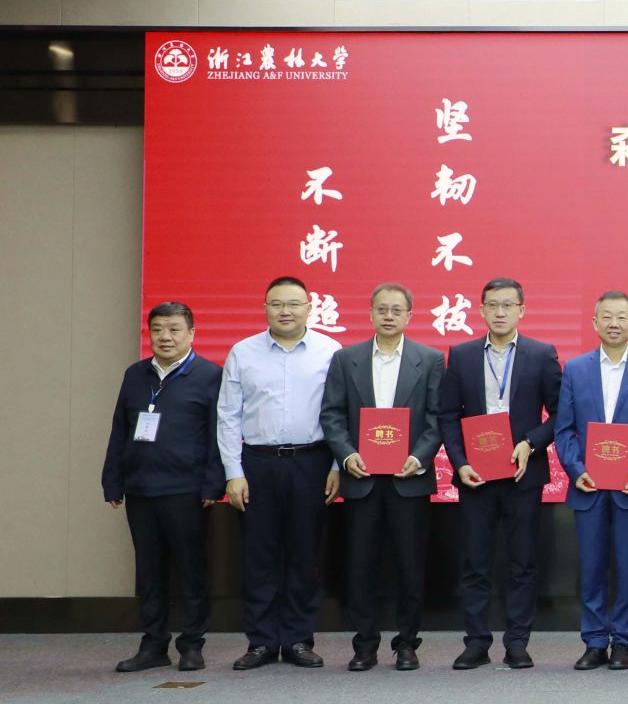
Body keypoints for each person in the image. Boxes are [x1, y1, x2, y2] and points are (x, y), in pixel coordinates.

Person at [217, 275, 342, 670]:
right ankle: (261, 642)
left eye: (293, 303)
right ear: (265, 308)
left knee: (305, 554)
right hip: (258, 463)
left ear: (309, 307)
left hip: (312, 461)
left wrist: (337, 464)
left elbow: (341, 413)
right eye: (276, 304)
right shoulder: (243, 352)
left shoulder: (330, 351)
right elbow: (228, 415)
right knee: (259, 555)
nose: (285, 311)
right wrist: (233, 471)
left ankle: (299, 639)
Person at [439, 275, 561, 670]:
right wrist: (460, 462)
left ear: (521, 310)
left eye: (508, 305)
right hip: (476, 476)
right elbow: (447, 415)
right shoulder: (461, 355)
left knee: (522, 562)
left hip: (523, 474)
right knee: (475, 563)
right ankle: (476, 642)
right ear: (481, 310)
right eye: (493, 305)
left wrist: (531, 441)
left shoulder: (541, 354)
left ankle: (517, 643)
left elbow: (560, 413)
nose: (500, 312)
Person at [321, 283, 445, 671]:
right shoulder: (346, 359)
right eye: (382, 309)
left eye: (396, 310)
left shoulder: (430, 359)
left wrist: (419, 457)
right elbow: (332, 414)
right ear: (371, 313)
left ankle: (407, 644)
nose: (388, 316)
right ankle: (364, 645)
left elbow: (437, 418)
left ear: (409, 315)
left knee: (410, 565)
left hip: (409, 479)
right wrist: (347, 455)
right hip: (362, 479)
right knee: (361, 565)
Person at [101, 302, 225, 672]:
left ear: (191, 333)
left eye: (174, 329)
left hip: (186, 490)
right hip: (140, 488)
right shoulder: (135, 374)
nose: (165, 337)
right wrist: (112, 480)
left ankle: (192, 644)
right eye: (157, 329)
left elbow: (219, 434)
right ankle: (153, 644)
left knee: (190, 569)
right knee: (149, 572)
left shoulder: (210, 375)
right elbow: (120, 429)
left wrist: (213, 484)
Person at [553, 291, 628, 671]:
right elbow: (564, 429)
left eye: (621, 317)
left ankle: (623, 641)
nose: (614, 323)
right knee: (592, 566)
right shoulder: (575, 369)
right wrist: (576, 469)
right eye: (607, 316)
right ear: (595, 323)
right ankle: (594, 641)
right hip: (588, 485)